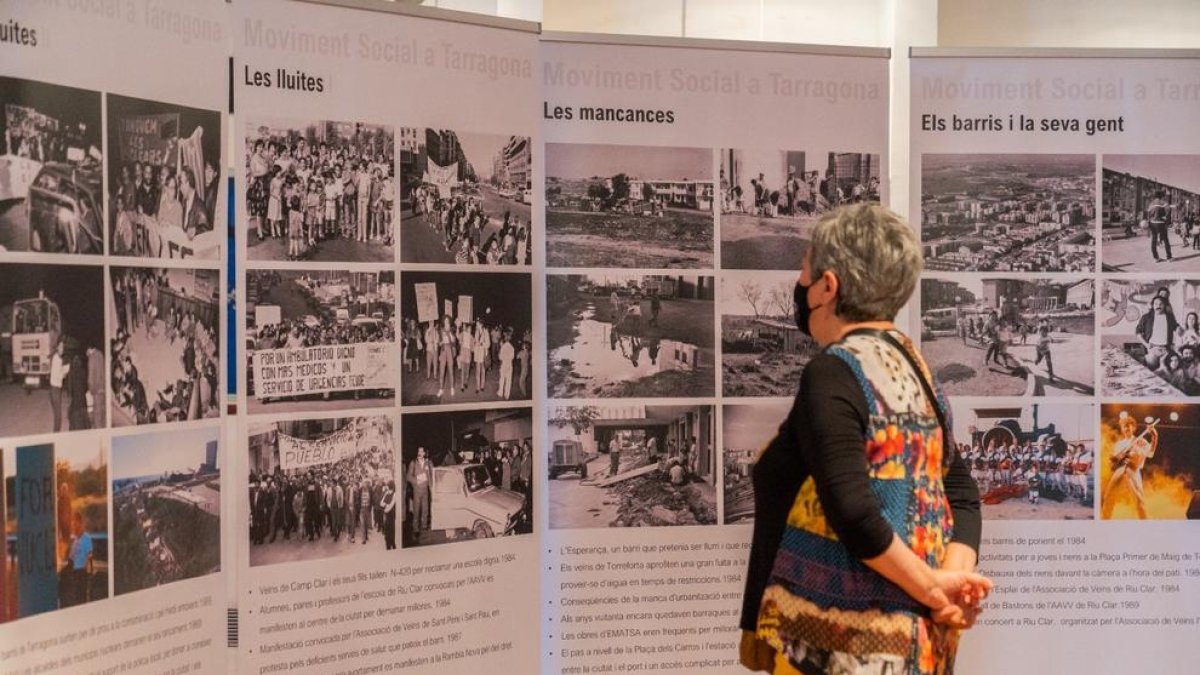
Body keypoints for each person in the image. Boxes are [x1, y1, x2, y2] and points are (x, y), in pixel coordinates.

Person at [740, 205, 989, 675]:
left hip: (840, 649)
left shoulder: (834, 371)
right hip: (919, 648)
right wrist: (953, 582)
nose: (800, 284)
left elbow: (852, 509)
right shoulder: (916, 368)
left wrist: (937, 590)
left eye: (805, 272)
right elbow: (962, 495)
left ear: (829, 286)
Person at [1102, 414, 1157, 519]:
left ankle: (1145, 523)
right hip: (1119, 470)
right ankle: (1104, 522)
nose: (1127, 427)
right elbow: (1112, 463)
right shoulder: (1118, 444)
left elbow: (1150, 454)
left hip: (1132, 470)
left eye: (1129, 425)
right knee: (1108, 497)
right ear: (1122, 429)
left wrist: (1154, 437)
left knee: (1138, 500)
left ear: (1134, 428)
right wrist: (1114, 460)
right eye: (1124, 426)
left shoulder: (1141, 441)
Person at [1136, 294, 1178, 371]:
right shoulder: (1146, 317)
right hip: (1152, 349)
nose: (1158, 306)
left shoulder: (1169, 317)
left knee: (1166, 372)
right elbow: (1138, 332)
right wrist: (1146, 345)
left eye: (1161, 304)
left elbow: (1177, 328)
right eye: (1156, 304)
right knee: (1151, 372)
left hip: (1166, 349)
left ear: (1164, 305)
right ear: (1152, 305)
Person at [407, 447, 432, 535]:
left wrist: (431, 486)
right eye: (418, 451)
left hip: (425, 490)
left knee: (425, 509)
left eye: (422, 451)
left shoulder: (428, 463)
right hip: (416, 490)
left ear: (424, 453)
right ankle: (416, 528)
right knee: (416, 510)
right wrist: (416, 481)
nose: (420, 453)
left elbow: (431, 476)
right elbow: (408, 477)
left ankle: (424, 526)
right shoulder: (413, 463)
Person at [1146, 189, 1173, 262]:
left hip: (1153, 223)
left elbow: (1148, 214)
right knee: (1165, 240)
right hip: (1161, 223)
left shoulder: (1151, 204)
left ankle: (1156, 258)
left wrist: (1149, 224)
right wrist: (1167, 221)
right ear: (1161, 196)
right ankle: (1169, 257)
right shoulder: (1163, 203)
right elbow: (1169, 210)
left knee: (1154, 240)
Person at [48, 338, 69, 432]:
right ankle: (56, 435)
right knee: (58, 416)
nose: (62, 349)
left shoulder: (57, 358)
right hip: (55, 389)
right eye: (60, 347)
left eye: (63, 347)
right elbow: (57, 375)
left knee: (57, 414)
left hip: (54, 389)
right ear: (57, 347)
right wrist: (64, 372)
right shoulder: (57, 359)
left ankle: (55, 434)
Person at [381, 480, 397, 550]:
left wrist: (385, 505)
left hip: (391, 514)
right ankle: (388, 544)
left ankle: (392, 543)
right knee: (387, 530)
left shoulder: (394, 494)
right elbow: (381, 503)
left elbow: (391, 505)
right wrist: (386, 505)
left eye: (388, 486)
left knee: (391, 530)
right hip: (386, 515)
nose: (387, 487)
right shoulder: (386, 493)